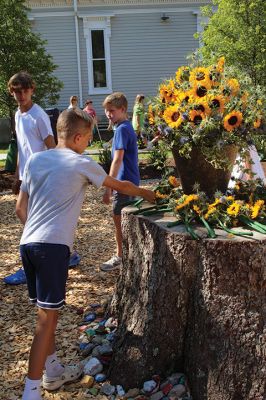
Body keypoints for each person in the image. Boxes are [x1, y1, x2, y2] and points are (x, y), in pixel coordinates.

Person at [16, 108, 155, 400]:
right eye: (89, 138)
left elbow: (20, 208)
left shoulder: (36, 160)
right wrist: (148, 195)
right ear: (78, 137)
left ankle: (52, 372)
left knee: (47, 315)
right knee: (45, 322)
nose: (89, 143)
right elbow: (120, 186)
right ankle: (30, 391)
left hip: (27, 244)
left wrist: (37, 235)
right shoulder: (81, 162)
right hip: (52, 247)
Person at [3, 71, 56, 285]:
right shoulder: (18, 115)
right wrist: (17, 175)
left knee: (23, 213)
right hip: (27, 176)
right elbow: (23, 149)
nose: (21, 95)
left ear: (32, 90)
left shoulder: (39, 115)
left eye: (25, 91)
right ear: (12, 93)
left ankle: (32, 263)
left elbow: (52, 148)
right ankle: (66, 253)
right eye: (17, 91)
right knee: (32, 217)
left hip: (40, 176)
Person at [101, 92, 140, 272]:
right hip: (131, 181)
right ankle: (131, 255)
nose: (109, 114)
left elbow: (117, 160)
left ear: (123, 109)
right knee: (128, 221)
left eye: (112, 111)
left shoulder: (122, 129)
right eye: (107, 111)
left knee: (119, 221)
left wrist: (109, 187)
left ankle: (120, 256)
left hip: (123, 184)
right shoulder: (125, 127)